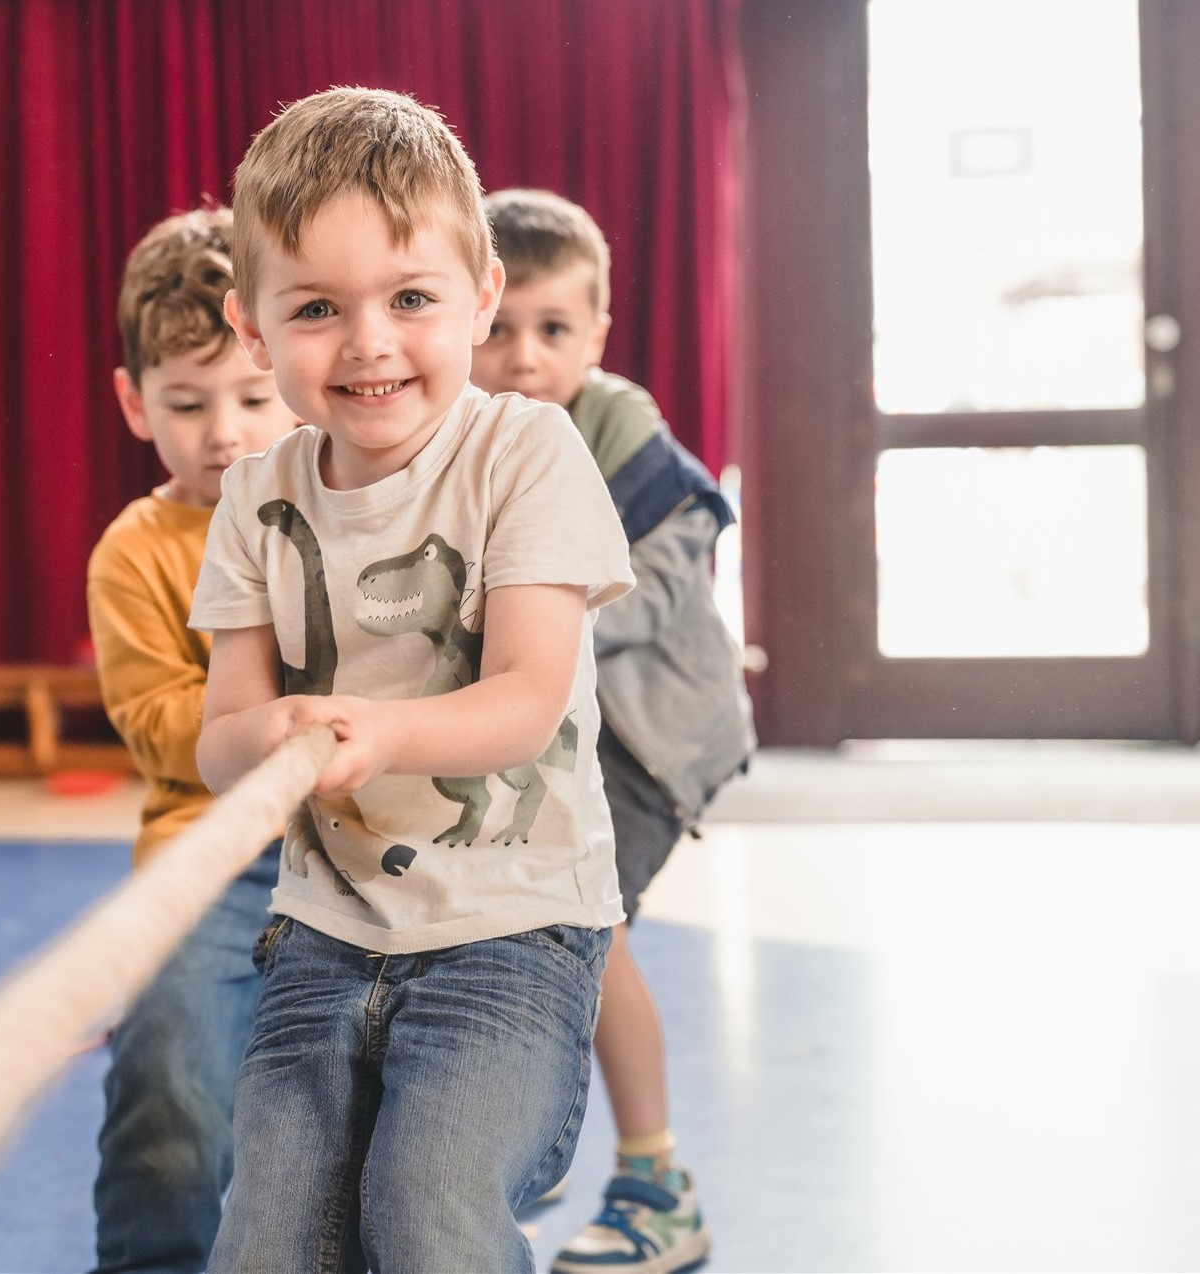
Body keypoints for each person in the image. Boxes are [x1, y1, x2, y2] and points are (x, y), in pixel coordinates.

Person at [189, 88, 636, 1273]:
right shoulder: (252, 496)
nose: (369, 341)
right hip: (326, 925)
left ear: (480, 294)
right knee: (266, 1242)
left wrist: (377, 732)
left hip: (517, 924)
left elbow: (528, 697)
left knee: (429, 1209)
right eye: (319, 308)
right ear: (253, 327)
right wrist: (273, 727)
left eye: (411, 299)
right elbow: (219, 740)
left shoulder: (525, 450)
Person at [472, 187, 755, 1274]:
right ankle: (512, 1152)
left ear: (595, 335)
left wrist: (523, 619)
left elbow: (655, 586)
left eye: (554, 331)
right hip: (559, 728)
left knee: (592, 926)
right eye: (499, 328)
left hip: (651, 734)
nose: (524, 356)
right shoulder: (468, 429)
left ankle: (654, 1179)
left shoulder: (619, 429)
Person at [85, 206, 301, 1274]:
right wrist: (270, 724)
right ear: (134, 403)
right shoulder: (135, 551)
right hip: (204, 858)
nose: (225, 431)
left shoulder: (341, 504)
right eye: (186, 402)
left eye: (253, 397)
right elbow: (159, 725)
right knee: (167, 1082)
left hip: (354, 846)